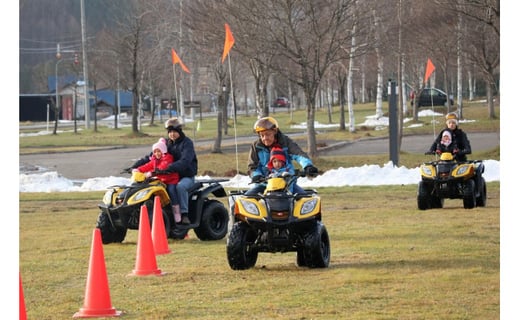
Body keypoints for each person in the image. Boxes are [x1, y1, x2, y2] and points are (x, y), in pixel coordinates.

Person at [129, 117, 198, 225]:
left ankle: (184, 214)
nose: (172, 134)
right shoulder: (166, 143)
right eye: (170, 132)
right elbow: (151, 157)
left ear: (180, 131)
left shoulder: (187, 143)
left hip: (185, 176)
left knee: (180, 187)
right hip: (167, 176)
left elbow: (186, 160)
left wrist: (170, 167)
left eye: (175, 132)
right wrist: (135, 166)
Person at [246, 116, 318, 195]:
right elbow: (252, 167)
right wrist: (257, 176)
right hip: (264, 185)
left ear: (275, 131)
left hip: (287, 184)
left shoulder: (286, 142)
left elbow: (299, 155)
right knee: (246, 200)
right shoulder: (256, 146)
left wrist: (308, 166)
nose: (265, 138)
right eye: (262, 135)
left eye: (268, 134)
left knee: (305, 199)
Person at [133, 139, 181, 222]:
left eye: (159, 151)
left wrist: (151, 173)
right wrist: (138, 169)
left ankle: (176, 210)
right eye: (155, 152)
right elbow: (148, 165)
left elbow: (163, 167)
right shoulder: (154, 160)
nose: (157, 153)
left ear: (163, 151)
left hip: (171, 180)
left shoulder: (168, 158)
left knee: (171, 191)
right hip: (161, 180)